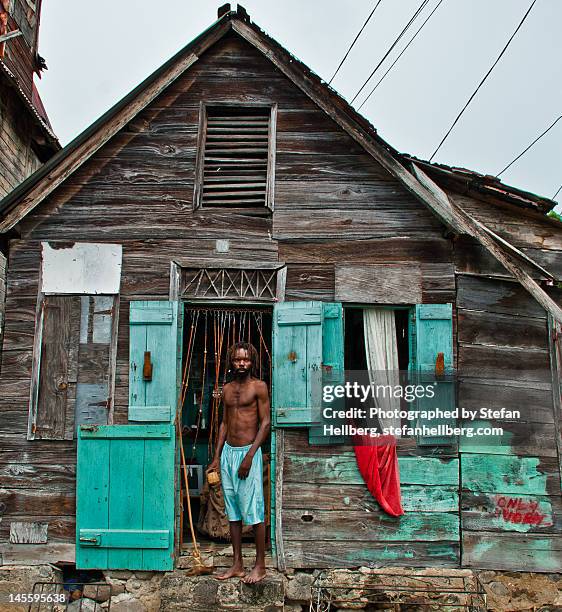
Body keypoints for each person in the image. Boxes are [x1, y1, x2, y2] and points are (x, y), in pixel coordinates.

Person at [207, 341, 271, 583]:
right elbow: (224, 423)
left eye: (246, 359)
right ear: (231, 362)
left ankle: (261, 566)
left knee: (254, 511)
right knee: (232, 511)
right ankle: (237, 564)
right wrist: (216, 456)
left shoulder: (259, 387)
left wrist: (250, 456)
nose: (242, 363)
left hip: (248, 453)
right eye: (237, 360)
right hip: (228, 455)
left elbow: (265, 423)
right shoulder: (227, 389)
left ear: (252, 361)